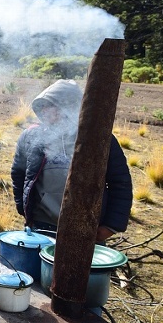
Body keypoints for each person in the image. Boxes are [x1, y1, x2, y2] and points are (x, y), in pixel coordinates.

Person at [11, 79, 133, 244]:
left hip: (85, 227)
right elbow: (19, 172)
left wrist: (111, 226)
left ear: (69, 108)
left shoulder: (100, 139)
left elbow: (121, 183)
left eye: (50, 105)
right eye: (42, 106)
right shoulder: (31, 136)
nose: (44, 111)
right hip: (41, 225)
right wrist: (24, 208)